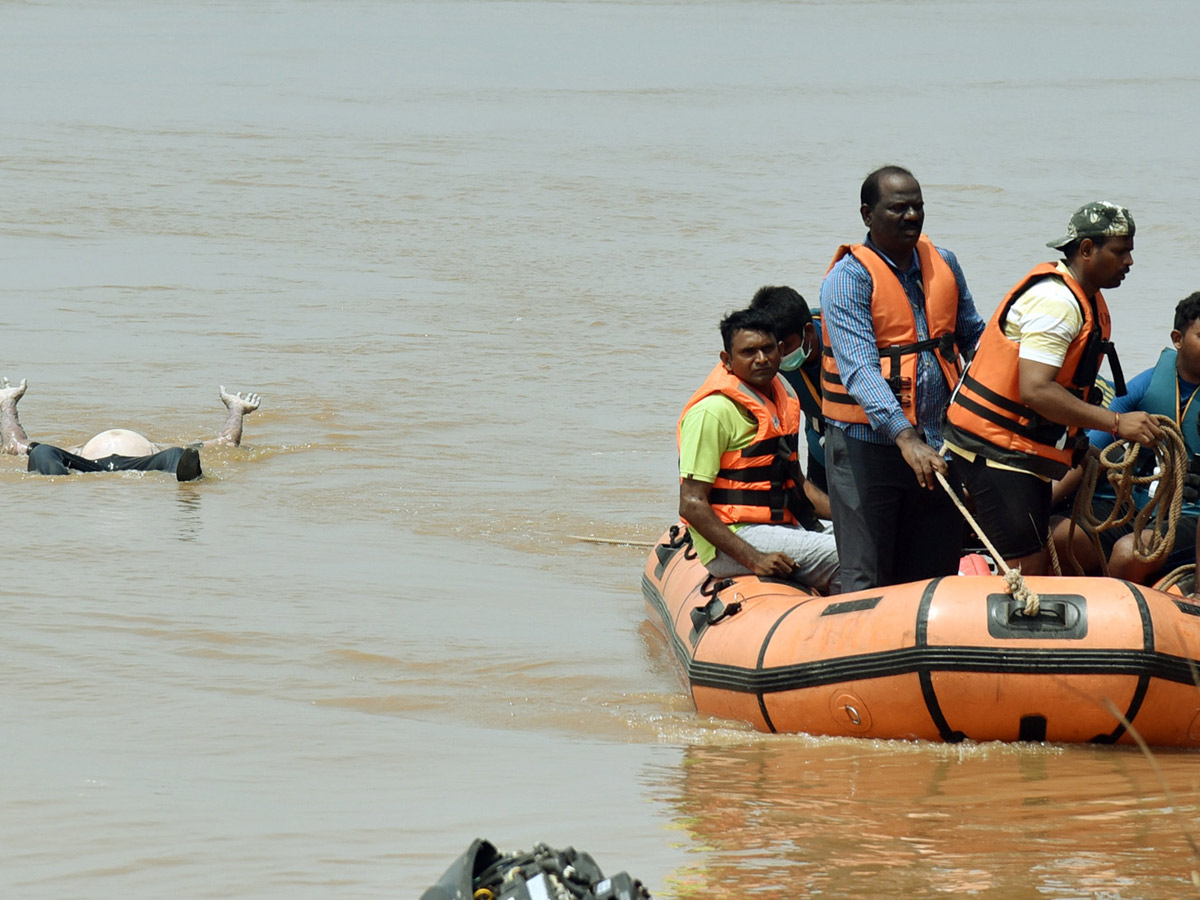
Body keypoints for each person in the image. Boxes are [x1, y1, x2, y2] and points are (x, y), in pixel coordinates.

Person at [943, 201, 1162, 575]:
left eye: (1130, 251)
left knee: (1034, 554)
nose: (1129, 262)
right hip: (997, 449)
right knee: (1026, 563)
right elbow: (1037, 391)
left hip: (1019, 449)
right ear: (1087, 250)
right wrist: (1115, 423)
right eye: (1120, 251)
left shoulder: (1087, 300)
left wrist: (1078, 445)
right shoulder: (1057, 301)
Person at [818, 165, 985, 592]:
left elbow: (974, 337)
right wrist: (905, 437)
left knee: (934, 571)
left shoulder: (944, 262)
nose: (912, 216)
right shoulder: (847, 280)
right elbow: (858, 369)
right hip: (867, 447)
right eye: (898, 208)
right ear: (867, 214)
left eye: (918, 207)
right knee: (867, 573)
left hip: (938, 443)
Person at [677, 307, 839, 592]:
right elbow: (692, 503)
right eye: (749, 352)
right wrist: (755, 559)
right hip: (735, 536)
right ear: (727, 360)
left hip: (781, 527)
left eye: (767, 349)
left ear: (779, 350)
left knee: (872, 538)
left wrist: (853, 516)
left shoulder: (784, 396)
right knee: (849, 555)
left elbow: (797, 483)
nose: (761, 359)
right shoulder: (712, 412)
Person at [1050, 292, 1200, 582]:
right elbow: (1092, 451)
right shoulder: (1147, 384)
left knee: (1130, 551)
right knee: (1056, 536)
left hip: (1189, 514)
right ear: (1177, 339)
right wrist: (1041, 505)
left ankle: (1122, 617)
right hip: (1131, 505)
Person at [0, 378, 262, 482]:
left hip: (146, 461)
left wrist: (235, 410)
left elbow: (226, 442)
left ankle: (188, 472)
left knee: (178, 453)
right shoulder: (74, 451)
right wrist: (7, 404)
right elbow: (16, 445)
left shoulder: (159, 449)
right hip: (86, 463)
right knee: (43, 451)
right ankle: (56, 478)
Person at [748, 285, 828, 492]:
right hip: (820, 447)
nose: (778, 357)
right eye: (774, 348)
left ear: (808, 332)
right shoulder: (766, 360)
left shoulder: (844, 340)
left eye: (786, 347)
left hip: (862, 447)